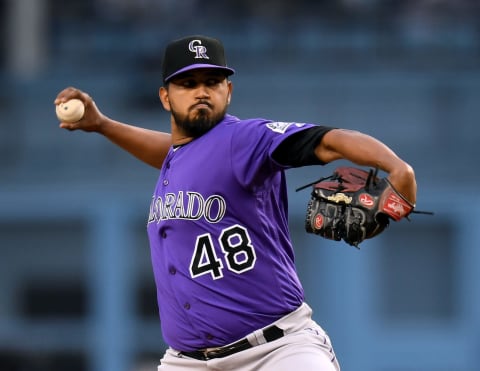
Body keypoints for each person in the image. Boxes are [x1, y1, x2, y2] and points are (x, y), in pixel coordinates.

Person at [55, 35, 417, 371]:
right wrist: (102, 125)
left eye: (211, 82)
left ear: (228, 91)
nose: (201, 92)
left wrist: (396, 167)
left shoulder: (244, 139)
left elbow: (329, 141)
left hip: (276, 351)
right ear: (165, 96)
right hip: (188, 362)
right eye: (187, 83)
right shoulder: (181, 155)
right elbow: (173, 151)